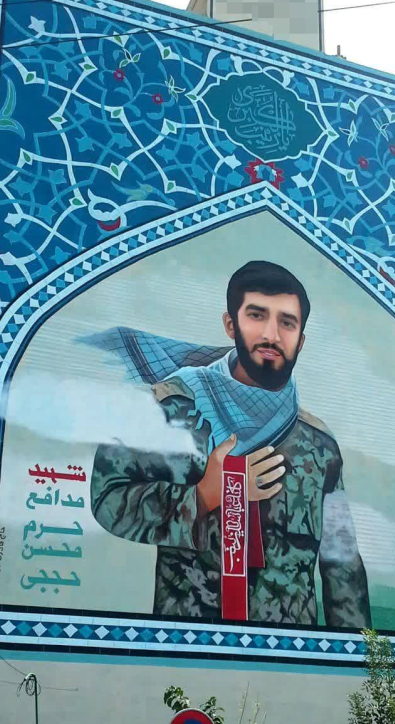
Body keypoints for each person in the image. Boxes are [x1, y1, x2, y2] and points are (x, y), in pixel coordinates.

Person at [88, 260, 371, 627]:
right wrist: (204, 495)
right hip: (190, 646)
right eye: (257, 315)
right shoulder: (169, 410)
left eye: (287, 323)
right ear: (230, 324)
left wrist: (360, 657)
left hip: (288, 650)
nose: (271, 334)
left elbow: (342, 566)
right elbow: (108, 498)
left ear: (300, 341)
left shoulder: (319, 445)